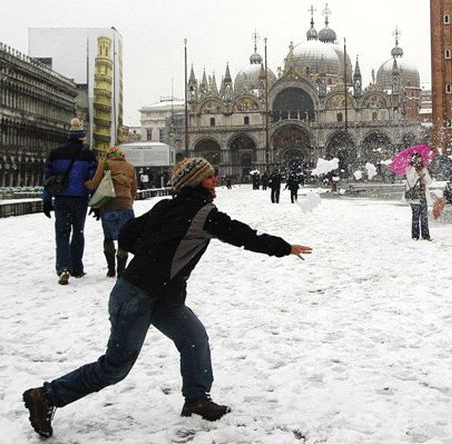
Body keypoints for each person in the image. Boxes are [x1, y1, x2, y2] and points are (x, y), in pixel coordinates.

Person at [22, 157, 313, 438]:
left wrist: (151, 254)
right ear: (198, 182)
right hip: (136, 295)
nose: (215, 180)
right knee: (115, 366)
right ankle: (47, 396)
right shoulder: (204, 215)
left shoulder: (165, 207)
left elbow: (127, 233)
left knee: (193, 337)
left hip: (160, 295)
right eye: (210, 176)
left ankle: (197, 399)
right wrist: (284, 248)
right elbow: (244, 236)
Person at [42, 118, 97, 285]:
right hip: (80, 200)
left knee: (62, 233)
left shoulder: (55, 154)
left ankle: (63, 267)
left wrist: (46, 201)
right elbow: (92, 180)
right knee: (78, 232)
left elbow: (48, 179)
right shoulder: (88, 155)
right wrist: (95, 202)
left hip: (61, 199)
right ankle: (77, 268)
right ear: (82, 138)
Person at [84, 146, 138, 278]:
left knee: (108, 238)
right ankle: (121, 270)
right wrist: (129, 202)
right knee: (123, 238)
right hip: (126, 206)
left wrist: (85, 183)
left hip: (109, 205)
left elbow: (94, 183)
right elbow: (134, 189)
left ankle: (111, 269)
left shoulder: (106, 163)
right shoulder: (130, 167)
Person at [405, 152, 441, 240]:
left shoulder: (423, 168)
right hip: (414, 195)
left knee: (424, 216)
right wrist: (415, 170)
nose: (418, 161)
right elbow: (410, 180)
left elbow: (429, 181)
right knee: (415, 216)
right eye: (416, 159)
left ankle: (425, 235)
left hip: (423, 194)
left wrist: (423, 174)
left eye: (419, 159)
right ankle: (415, 236)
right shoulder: (409, 169)